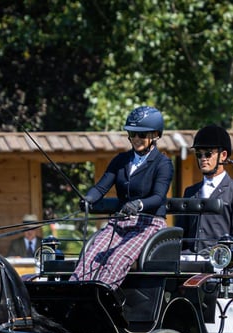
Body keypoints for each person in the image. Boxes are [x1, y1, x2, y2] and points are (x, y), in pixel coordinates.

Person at [70, 105, 173, 289]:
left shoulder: (162, 163)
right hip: (119, 222)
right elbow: (100, 188)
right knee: (91, 256)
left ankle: (101, 300)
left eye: (141, 135)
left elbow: (158, 197)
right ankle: (74, 296)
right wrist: (88, 199)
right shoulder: (121, 160)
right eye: (132, 133)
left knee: (116, 259)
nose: (135, 139)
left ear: (155, 135)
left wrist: (138, 204)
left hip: (148, 223)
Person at [176, 124, 233, 256]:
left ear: (223, 155)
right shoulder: (190, 192)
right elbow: (182, 234)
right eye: (199, 155)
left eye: (208, 153)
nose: (203, 159)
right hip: (190, 264)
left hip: (222, 265)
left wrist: (218, 250)